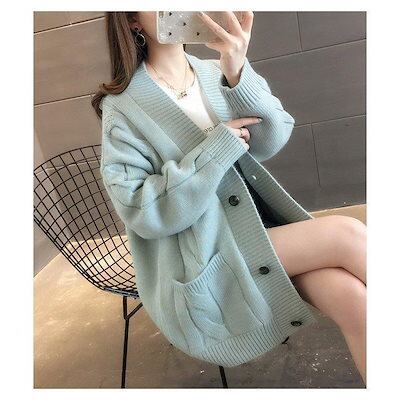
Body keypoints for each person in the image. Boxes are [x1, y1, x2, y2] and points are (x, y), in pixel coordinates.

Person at [93, 11, 366, 385]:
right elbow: (142, 210)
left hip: (256, 231)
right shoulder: (123, 106)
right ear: (132, 21)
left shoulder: (214, 72)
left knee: (356, 303)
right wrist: (216, 150)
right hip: (203, 253)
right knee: (345, 234)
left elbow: (272, 139)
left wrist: (237, 69)